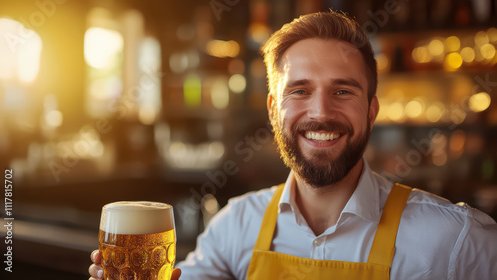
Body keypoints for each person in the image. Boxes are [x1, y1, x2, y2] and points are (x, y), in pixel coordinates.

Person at [89, 11, 497, 280]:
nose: (321, 112)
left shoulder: (457, 241)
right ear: (272, 109)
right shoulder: (236, 228)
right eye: (299, 91)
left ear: (372, 111)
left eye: (343, 91)